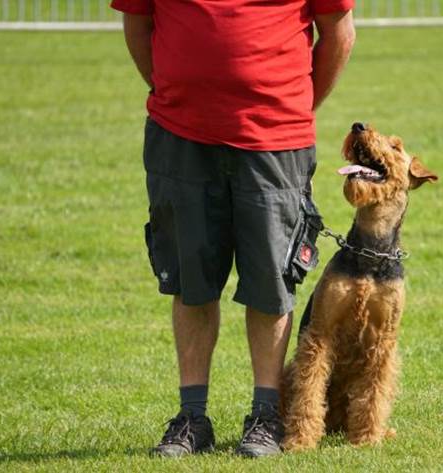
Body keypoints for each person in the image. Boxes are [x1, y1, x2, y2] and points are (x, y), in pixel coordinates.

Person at [110, 0, 356, 459]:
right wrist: (175, 94)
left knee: (270, 280)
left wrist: (290, 106)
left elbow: (339, 34)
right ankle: (191, 419)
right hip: (180, 135)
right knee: (190, 280)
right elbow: (138, 23)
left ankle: (265, 415)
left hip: (275, 140)